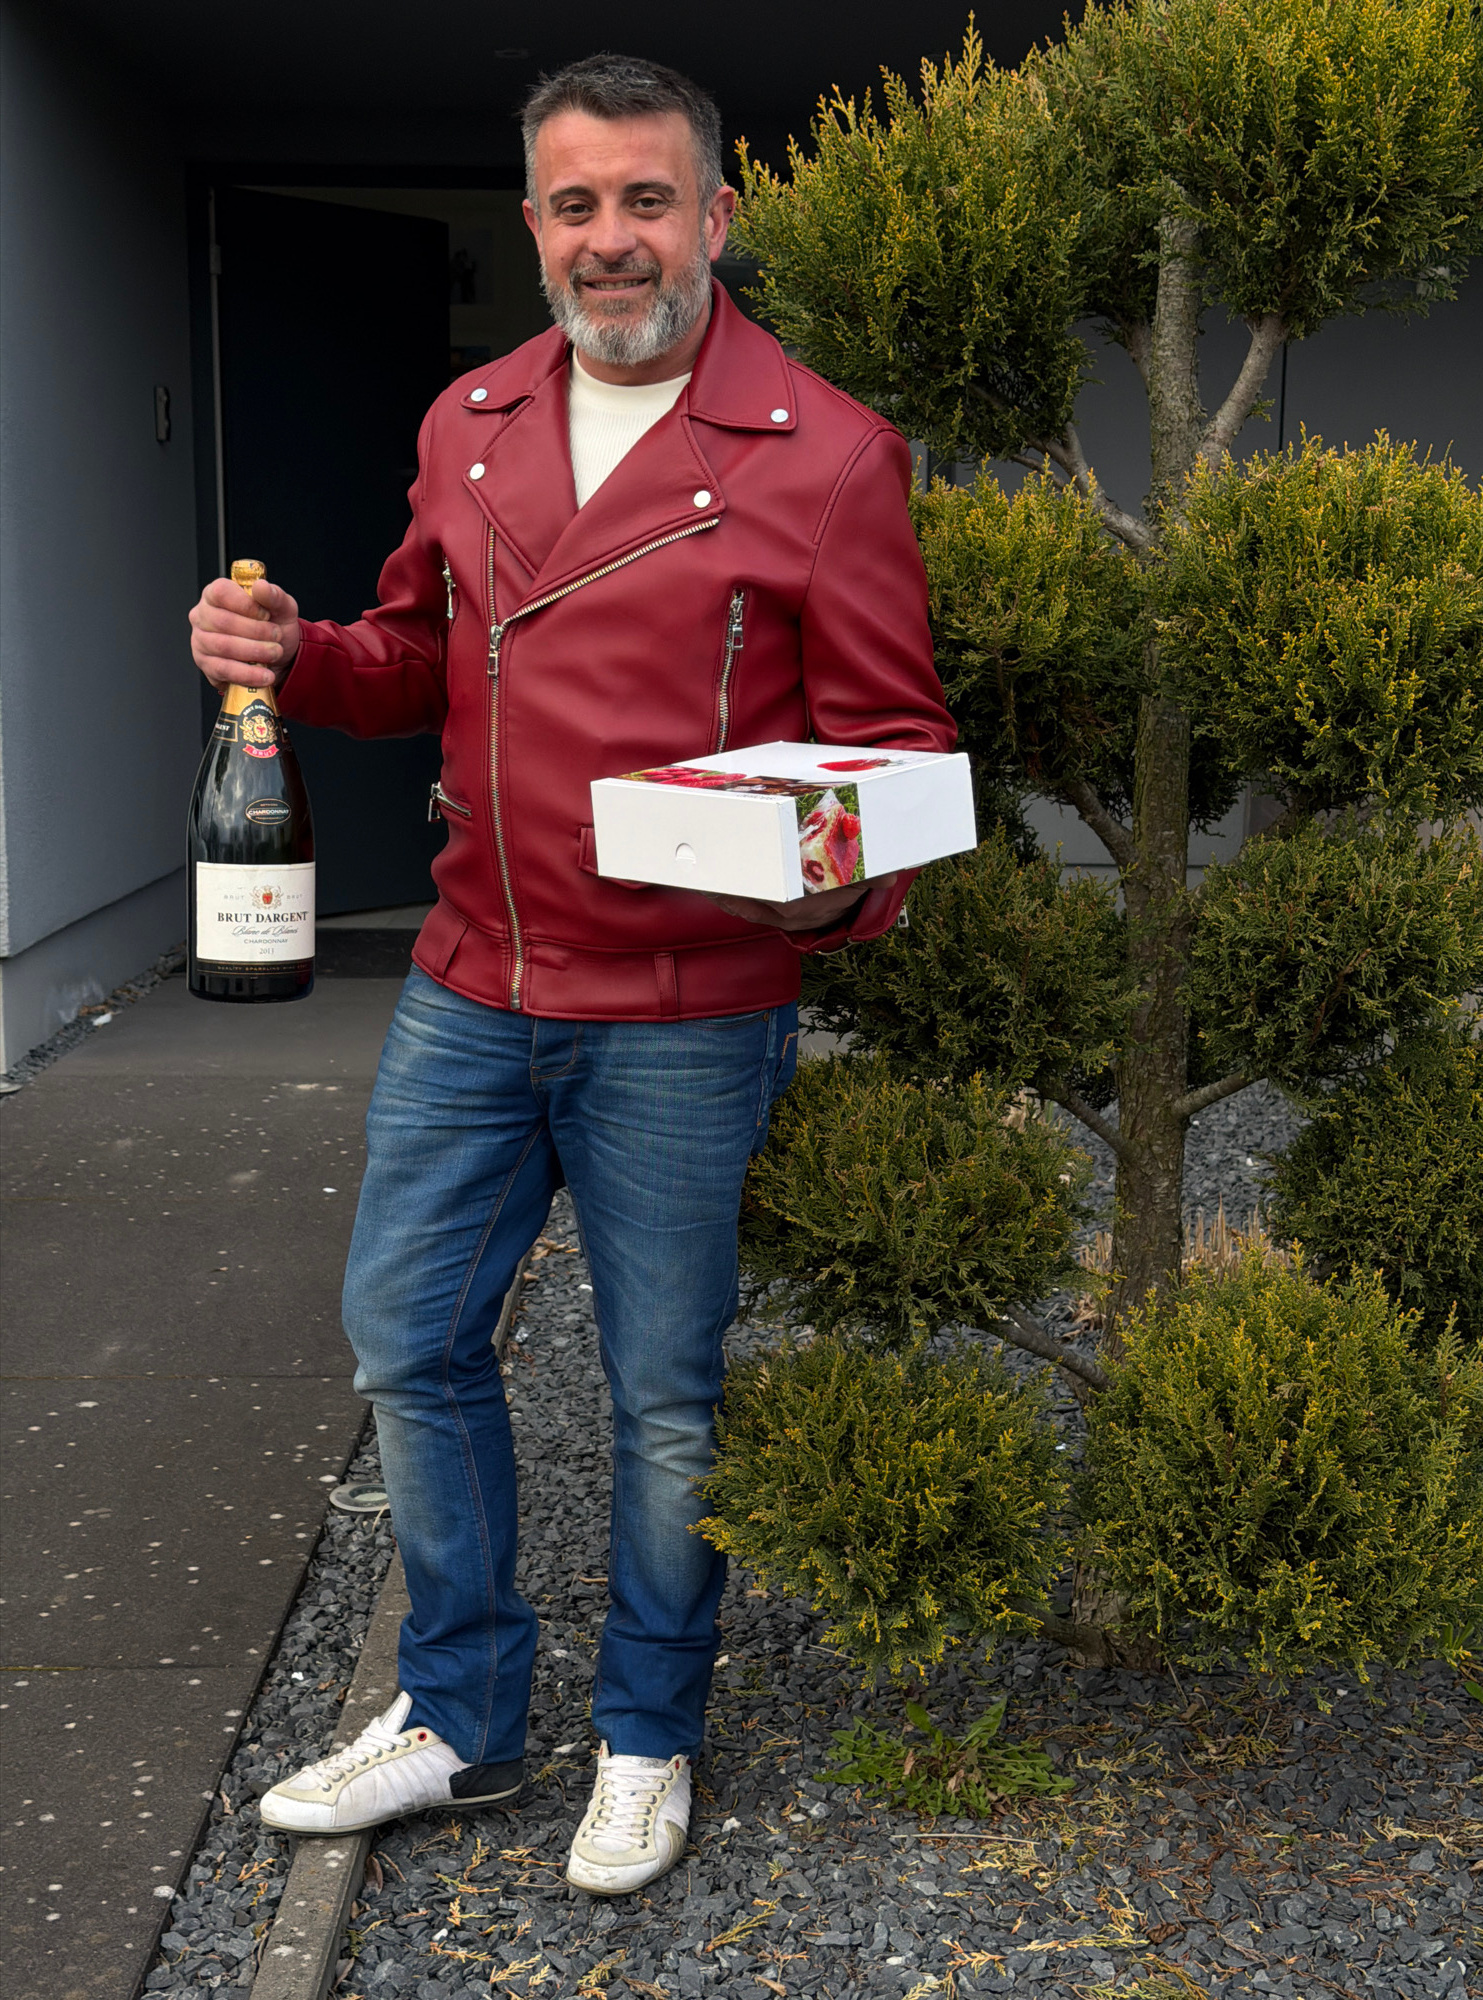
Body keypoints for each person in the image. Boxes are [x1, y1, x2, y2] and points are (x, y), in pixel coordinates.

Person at [188, 53, 955, 1896]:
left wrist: (825, 902)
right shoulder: (472, 419)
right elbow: (412, 656)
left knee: (666, 1397)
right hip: (471, 985)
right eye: (578, 204)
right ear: (534, 225)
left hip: (686, 1012)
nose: (615, 239)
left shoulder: (828, 455)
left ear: (717, 217)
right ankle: (460, 1716)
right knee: (410, 1341)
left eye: (648, 201)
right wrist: (295, 652)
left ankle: (647, 1733)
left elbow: (898, 752)